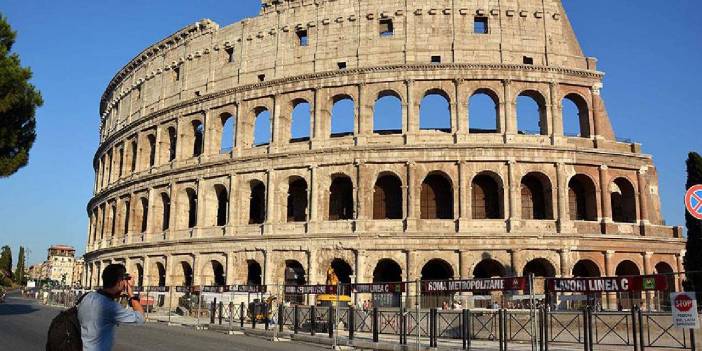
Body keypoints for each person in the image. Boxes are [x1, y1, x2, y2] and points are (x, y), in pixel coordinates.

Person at [78, 263, 145, 351]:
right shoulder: (110, 307)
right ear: (119, 282)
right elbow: (140, 318)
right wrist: (131, 293)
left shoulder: (87, 297)